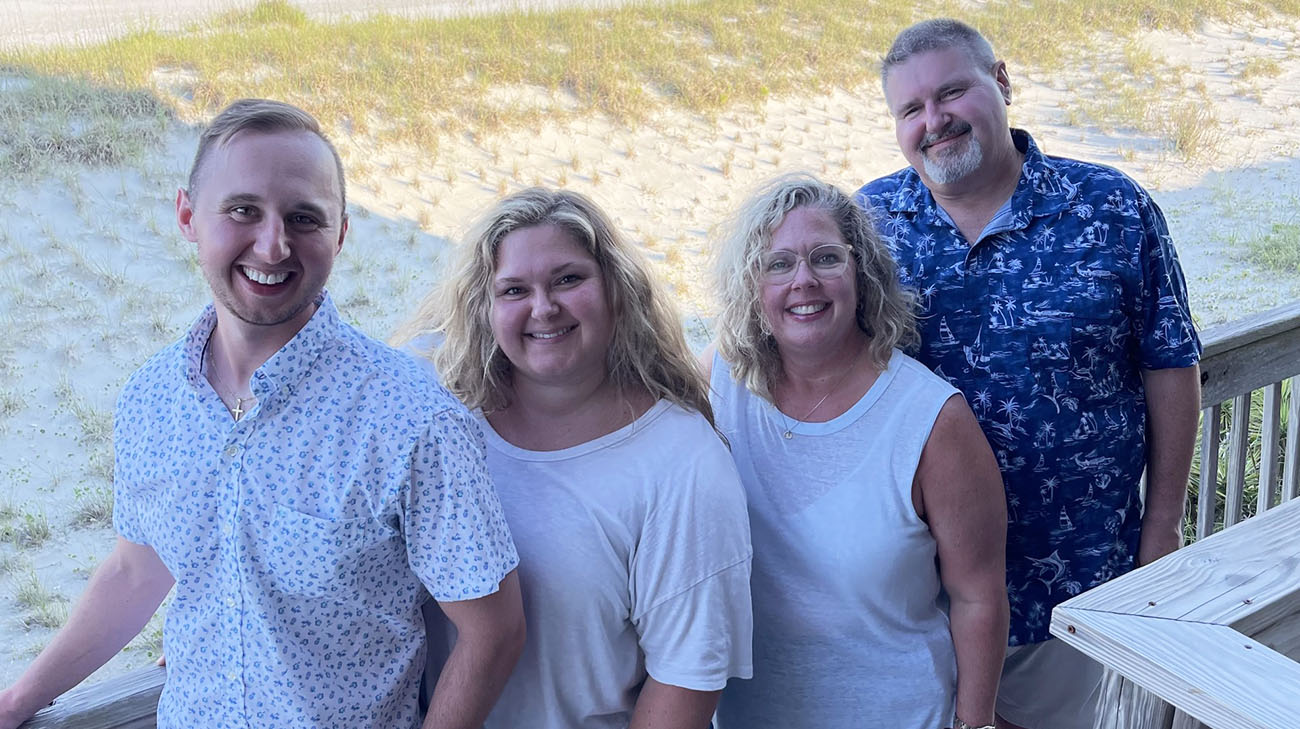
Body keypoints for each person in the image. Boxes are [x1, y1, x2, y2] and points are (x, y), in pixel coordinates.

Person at [0, 99, 524, 729]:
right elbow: (137, 570)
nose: (273, 245)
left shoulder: (411, 420)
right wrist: (18, 700)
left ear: (341, 233)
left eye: (304, 218)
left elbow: (494, 631)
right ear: (188, 215)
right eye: (243, 210)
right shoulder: (150, 399)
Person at [856, 18, 1203, 729]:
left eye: (952, 91)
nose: (934, 121)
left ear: (1003, 82)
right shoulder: (869, 223)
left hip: (1081, 580)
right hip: (920, 592)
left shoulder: (1113, 208)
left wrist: (1162, 529)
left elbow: (1171, 363)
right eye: (910, 109)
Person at [394, 187, 754, 729]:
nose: (544, 308)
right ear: (484, 307)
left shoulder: (682, 463)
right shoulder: (434, 404)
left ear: (616, 290)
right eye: (514, 289)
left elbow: (684, 681)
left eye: (568, 279)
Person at [705, 173, 1008, 729]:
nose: (804, 281)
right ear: (752, 284)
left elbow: (978, 595)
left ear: (861, 273)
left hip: (902, 713)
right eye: (778, 264)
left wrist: (974, 723)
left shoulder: (931, 418)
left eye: (825, 258)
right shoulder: (720, 383)